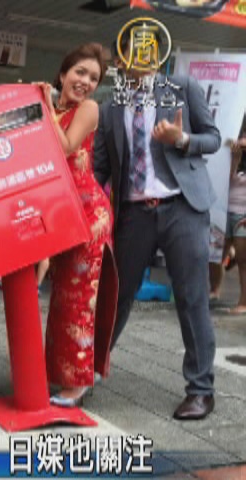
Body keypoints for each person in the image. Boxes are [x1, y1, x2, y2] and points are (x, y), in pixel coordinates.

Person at [93, 31, 220, 420]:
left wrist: (182, 139)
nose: (143, 56)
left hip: (183, 206)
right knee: (115, 294)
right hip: (134, 213)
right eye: (134, 50)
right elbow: (99, 168)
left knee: (191, 297)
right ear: (121, 60)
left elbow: (213, 138)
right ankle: (84, 373)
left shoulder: (183, 87)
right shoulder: (109, 108)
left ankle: (200, 391)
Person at [36, 42, 115, 407]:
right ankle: (62, 372)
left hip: (88, 215)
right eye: (80, 72)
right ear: (63, 73)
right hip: (63, 213)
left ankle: (78, 382)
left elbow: (67, 146)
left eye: (93, 77)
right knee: (62, 299)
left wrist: (42, 106)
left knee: (79, 301)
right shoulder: (56, 109)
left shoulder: (88, 109)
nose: (85, 81)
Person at [210, 127, 246, 313]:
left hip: (242, 213)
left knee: (243, 259)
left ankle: (243, 302)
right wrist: (236, 158)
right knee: (215, 253)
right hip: (224, 210)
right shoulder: (232, 153)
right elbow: (224, 179)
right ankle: (215, 290)